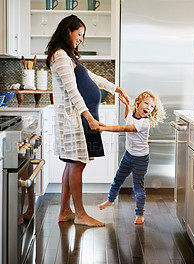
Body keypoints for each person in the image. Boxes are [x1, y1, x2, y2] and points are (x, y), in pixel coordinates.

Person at [45, 14, 130, 227]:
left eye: (83, 35)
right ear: (68, 31)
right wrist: (90, 118)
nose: (81, 38)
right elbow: (73, 92)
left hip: (79, 118)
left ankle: (65, 211)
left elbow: (90, 77)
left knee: (72, 164)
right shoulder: (60, 56)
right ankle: (81, 214)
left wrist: (115, 88)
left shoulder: (67, 56)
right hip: (75, 120)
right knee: (77, 164)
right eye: (79, 34)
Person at [98, 91, 165, 224]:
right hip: (128, 155)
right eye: (146, 103)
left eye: (152, 106)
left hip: (140, 159)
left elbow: (124, 128)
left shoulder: (144, 123)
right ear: (138, 103)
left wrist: (105, 128)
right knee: (117, 179)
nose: (148, 107)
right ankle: (110, 200)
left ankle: (139, 214)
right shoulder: (132, 115)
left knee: (138, 186)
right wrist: (127, 105)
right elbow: (127, 117)